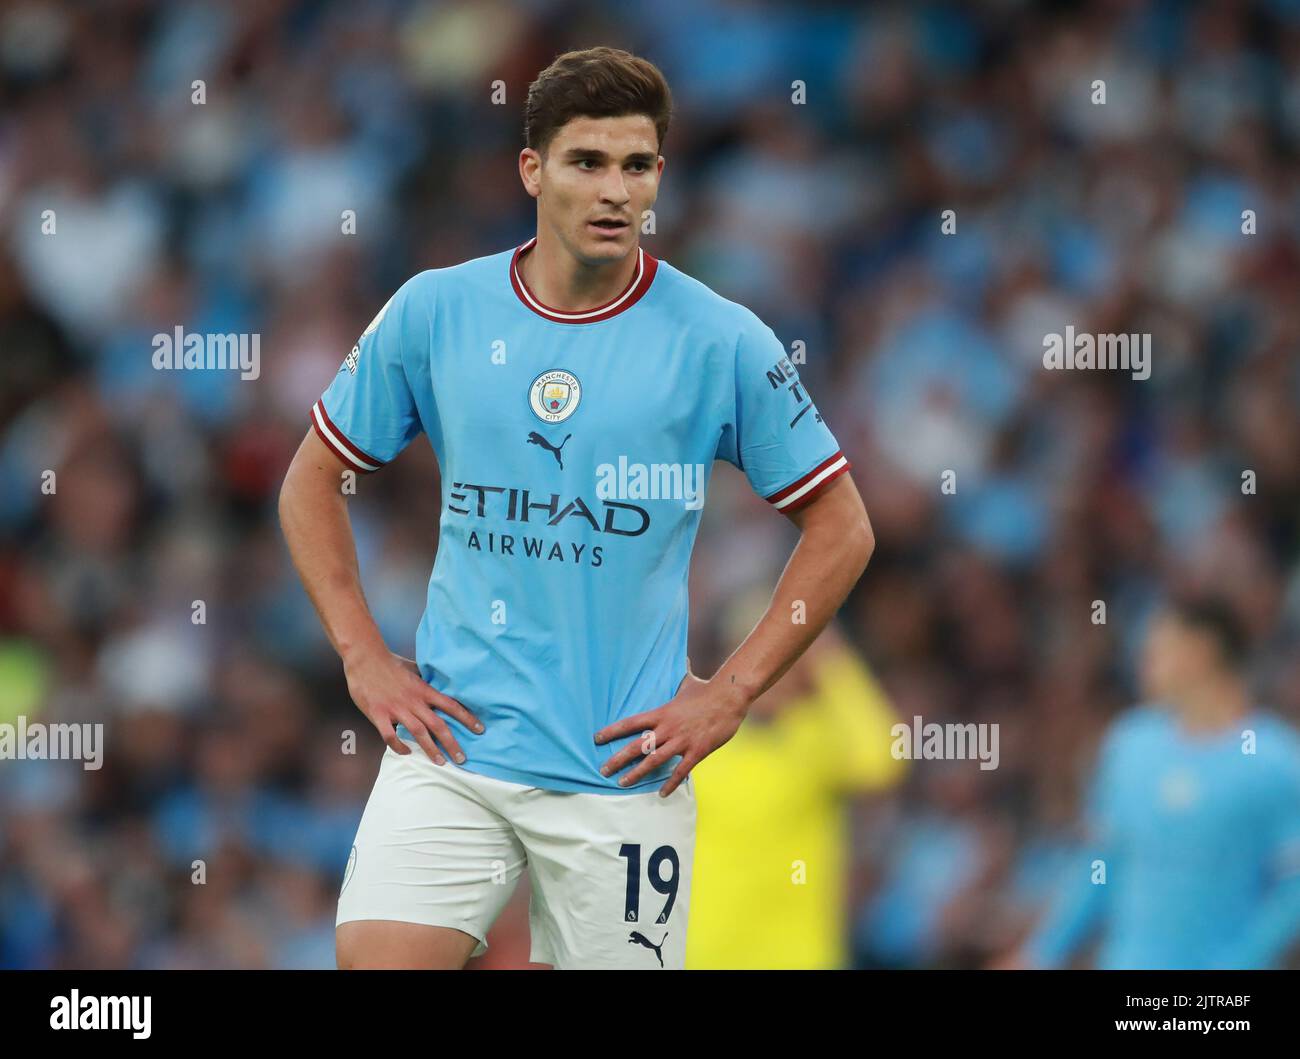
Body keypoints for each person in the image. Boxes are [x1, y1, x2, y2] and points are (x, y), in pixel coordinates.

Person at [277, 46, 874, 970]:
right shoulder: (438, 311)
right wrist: (363, 653)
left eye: (635, 166)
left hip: (623, 772)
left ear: (659, 180)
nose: (613, 190)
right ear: (533, 170)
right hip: (457, 750)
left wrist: (732, 692)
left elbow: (843, 525)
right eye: (586, 162)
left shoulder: (719, 339)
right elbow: (309, 481)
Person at [998, 597, 1300, 969]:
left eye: (1158, 649)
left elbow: (1293, 889)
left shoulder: (1275, 761)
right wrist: (1041, 952)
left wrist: (1242, 961)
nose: (1144, 663)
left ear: (1200, 650)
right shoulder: (1130, 746)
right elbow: (1102, 864)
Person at [686, 607, 905, 969]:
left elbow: (883, 760)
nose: (769, 673)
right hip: (705, 955)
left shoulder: (814, 739)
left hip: (799, 957)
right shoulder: (700, 745)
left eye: (786, 656)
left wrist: (830, 655)